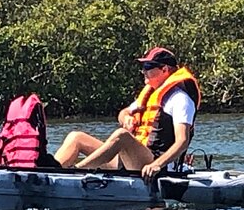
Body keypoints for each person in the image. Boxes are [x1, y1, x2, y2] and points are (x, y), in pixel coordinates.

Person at [53, 47, 201, 182]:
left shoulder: (180, 99)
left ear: (164, 69)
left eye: (148, 67)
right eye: (143, 67)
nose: (143, 71)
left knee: (122, 136)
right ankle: (50, 171)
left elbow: (182, 141)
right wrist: (126, 118)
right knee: (76, 137)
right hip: (130, 159)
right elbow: (123, 112)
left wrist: (157, 164)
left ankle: (76, 172)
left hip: (156, 164)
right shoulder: (151, 93)